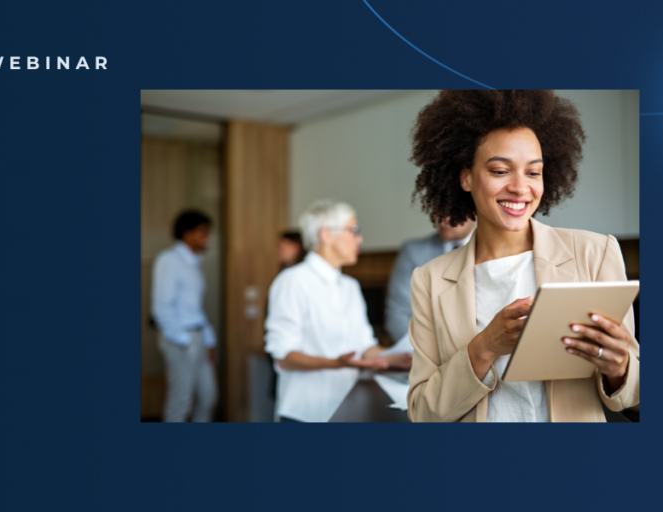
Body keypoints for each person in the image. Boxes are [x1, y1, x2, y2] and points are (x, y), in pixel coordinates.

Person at [406, 90, 639, 422]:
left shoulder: (595, 253)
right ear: (466, 176)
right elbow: (422, 413)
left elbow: (636, 397)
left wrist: (620, 368)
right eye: (500, 171)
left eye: (533, 172)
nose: (520, 188)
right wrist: (484, 346)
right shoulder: (429, 280)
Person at [264, 199, 412, 422]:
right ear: (326, 235)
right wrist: (336, 363)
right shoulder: (292, 281)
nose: (359, 238)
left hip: (346, 407)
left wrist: (395, 359)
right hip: (304, 413)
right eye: (353, 230)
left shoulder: (350, 286)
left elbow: (364, 346)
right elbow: (283, 356)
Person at [151, 210, 218, 422]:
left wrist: (208, 339)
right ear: (186, 234)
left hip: (197, 336)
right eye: (202, 232)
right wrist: (185, 340)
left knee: (208, 397)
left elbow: (194, 308)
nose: (207, 237)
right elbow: (161, 307)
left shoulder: (194, 263)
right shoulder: (169, 260)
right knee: (181, 401)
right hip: (180, 339)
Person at [384, 217, 475, 342]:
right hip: (425, 351)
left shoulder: (494, 250)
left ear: (474, 211)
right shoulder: (413, 252)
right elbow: (398, 314)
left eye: (452, 211)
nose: (442, 221)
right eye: (438, 211)